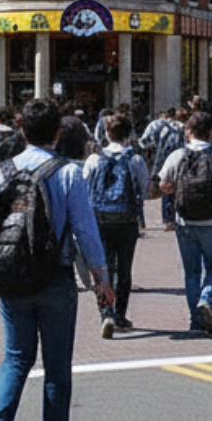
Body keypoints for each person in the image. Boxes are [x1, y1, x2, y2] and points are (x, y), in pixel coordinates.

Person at [0, 99, 115, 421]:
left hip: (12, 275)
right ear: (58, 132)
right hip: (54, 276)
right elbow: (85, 230)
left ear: (22, 129)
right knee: (56, 367)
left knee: (16, 357)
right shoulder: (68, 173)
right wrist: (101, 278)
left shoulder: (3, 171)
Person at [160, 111, 212, 333]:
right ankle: (207, 299)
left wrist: (174, 189)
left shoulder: (178, 155)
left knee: (191, 271)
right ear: (211, 133)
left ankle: (195, 320)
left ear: (189, 132)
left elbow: (163, 183)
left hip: (185, 221)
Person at [85, 113, 150, 337]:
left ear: (106, 133)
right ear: (128, 133)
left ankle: (106, 313)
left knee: (103, 267)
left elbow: (85, 187)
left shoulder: (94, 159)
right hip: (127, 219)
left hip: (100, 218)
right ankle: (120, 315)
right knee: (124, 268)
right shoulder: (135, 159)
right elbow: (144, 188)